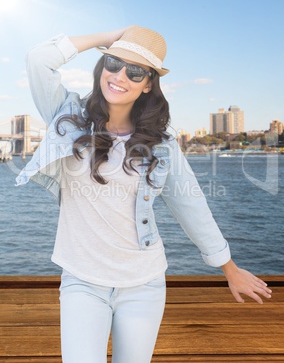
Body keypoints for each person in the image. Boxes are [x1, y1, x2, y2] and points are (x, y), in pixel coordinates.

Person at [16, 25, 272, 363]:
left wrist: (229, 268)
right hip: (82, 280)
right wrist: (105, 38)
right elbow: (39, 59)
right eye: (113, 63)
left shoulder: (162, 145)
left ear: (148, 83)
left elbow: (191, 205)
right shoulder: (68, 116)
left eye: (135, 71)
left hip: (144, 284)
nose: (120, 75)